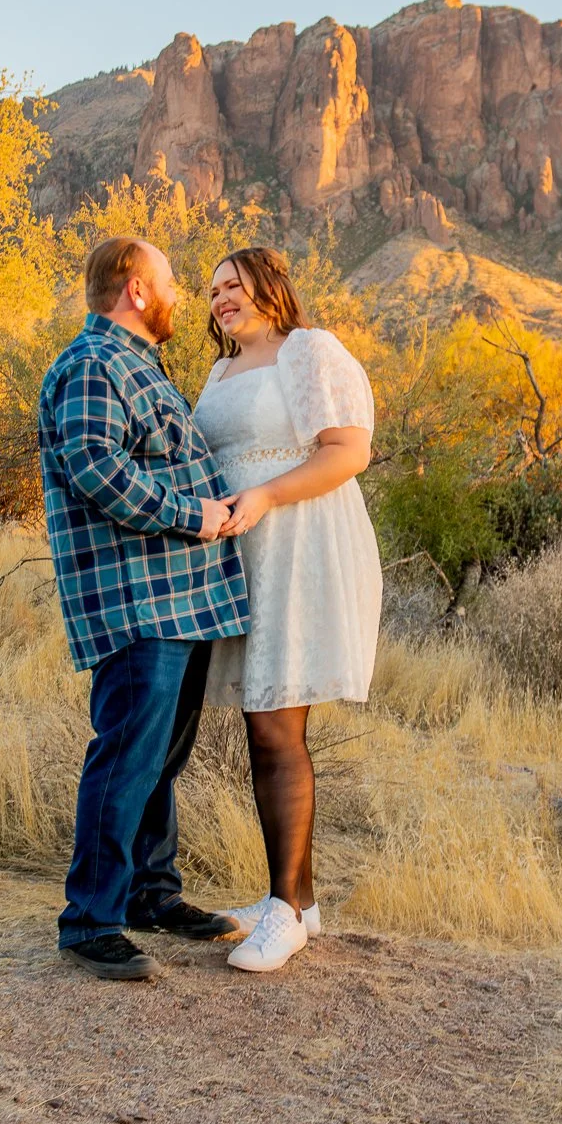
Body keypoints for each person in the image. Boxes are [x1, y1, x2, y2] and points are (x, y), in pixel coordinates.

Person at [37, 236, 250, 981]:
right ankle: (90, 920)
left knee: (159, 760)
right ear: (135, 290)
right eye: (168, 284)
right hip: (138, 602)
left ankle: (151, 894)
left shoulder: (135, 366)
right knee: (126, 758)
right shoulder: (93, 365)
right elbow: (96, 466)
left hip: (180, 601)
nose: (180, 297)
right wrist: (193, 514)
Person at [191, 246, 381, 974]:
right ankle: (295, 898)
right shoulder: (218, 370)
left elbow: (347, 451)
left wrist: (266, 495)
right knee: (261, 723)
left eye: (232, 284)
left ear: (270, 286)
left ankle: (287, 912)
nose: (219, 298)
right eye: (210, 291)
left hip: (297, 545)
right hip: (242, 556)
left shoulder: (308, 350)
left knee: (276, 723)